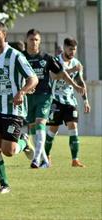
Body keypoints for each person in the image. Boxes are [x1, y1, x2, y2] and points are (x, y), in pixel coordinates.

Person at [0, 21, 38, 194]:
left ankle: (23, 142)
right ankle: (4, 184)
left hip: (13, 109)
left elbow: (33, 79)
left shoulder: (16, 56)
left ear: (4, 35)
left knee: (9, 151)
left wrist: (21, 92)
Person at [23, 29, 85, 168]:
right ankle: (44, 159)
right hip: (28, 97)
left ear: (40, 41)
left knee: (40, 123)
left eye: (37, 39)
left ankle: (36, 159)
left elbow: (61, 73)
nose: (34, 42)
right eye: (31, 39)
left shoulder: (47, 57)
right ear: (26, 40)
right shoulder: (20, 57)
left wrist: (75, 85)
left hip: (45, 96)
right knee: (33, 127)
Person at [45, 37, 90, 167]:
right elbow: (54, 76)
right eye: (70, 49)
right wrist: (71, 70)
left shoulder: (76, 62)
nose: (72, 52)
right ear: (64, 47)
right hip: (55, 100)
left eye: (74, 50)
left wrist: (86, 101)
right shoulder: (55, 60)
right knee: (53, 129)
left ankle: (75, 159)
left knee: (73, 127)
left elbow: (80, 82)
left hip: (70, 101)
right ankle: (46, 155)